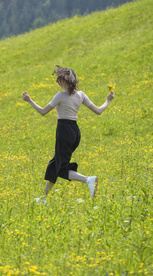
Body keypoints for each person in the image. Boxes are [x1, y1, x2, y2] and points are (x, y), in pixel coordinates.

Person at [22, 65, 115, 203]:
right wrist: (108, 100)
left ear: (64, 81)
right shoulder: (81, 95)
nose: (57, 83)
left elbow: (43, 111)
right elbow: (98, 111)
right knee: (55, 165)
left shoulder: (60, 95)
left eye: (59, 80)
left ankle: (88, 180)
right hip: (75, 132)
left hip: (64, 131)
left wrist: (29, 100)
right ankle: (43, 199)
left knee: (61, 169)